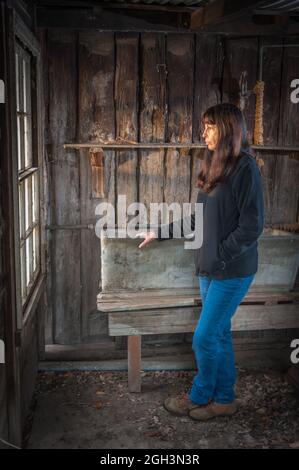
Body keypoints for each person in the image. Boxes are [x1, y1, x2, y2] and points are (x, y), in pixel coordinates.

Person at [136, 102, 264, 421]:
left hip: (231, 271)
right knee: (218, 334)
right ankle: (224, 399)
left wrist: (220, 256)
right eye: (203, 125)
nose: (203, 132)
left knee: (204, 337)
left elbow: (252, 225)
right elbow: (197, 219)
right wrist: (160, 232)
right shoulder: (212, 165)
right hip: (208, 269)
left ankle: (199, 394)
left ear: (227, 129)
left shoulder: (246, 168)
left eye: (210, 126)